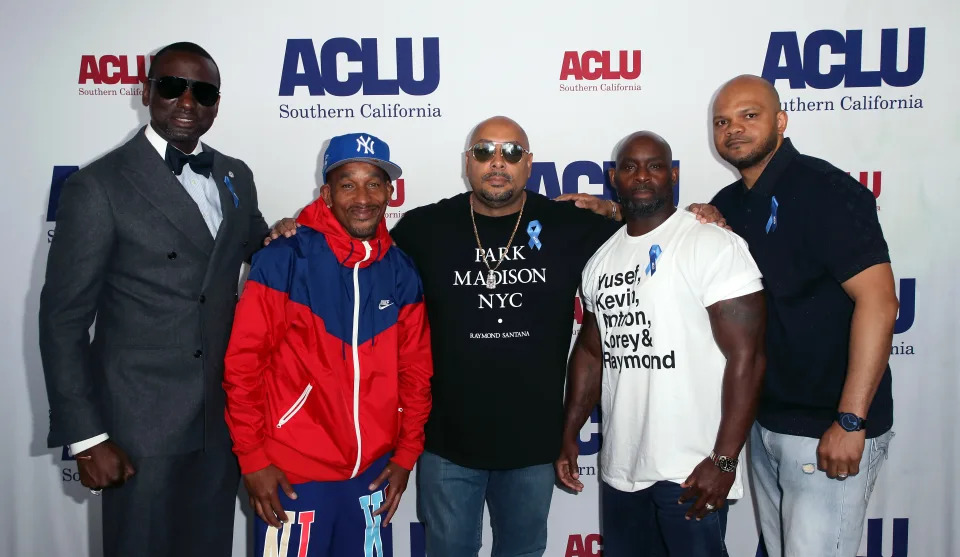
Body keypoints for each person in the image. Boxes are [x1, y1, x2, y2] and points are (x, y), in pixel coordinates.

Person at [38, 41, 286, 557]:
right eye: (173, 87)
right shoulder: (98, 186)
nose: (187, 102)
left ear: (217, 103)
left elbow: (257, 248)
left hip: (219, 421)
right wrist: (87, 437)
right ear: (147, 91)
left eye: (203, 92)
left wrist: (294, 233)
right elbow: (63, 321)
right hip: (137, 427)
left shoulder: (235, 174)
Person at [709, 74, 898, 557]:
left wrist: (851, 421)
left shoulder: (825, 190)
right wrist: (608, 211)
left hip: (827, 427)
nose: (734, 129)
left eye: (749, 116)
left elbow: (879, 301)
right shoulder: (728, 205)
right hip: (765, 422)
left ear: (781, 120)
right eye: (722, 121)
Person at [556, 132, 766, 556]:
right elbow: (593, 351)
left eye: (654, 165)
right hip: (622, 469)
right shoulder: (601, 260)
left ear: (672, 174)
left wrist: (724, 460)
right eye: (630, 167)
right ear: (614, 177)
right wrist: (569, 431)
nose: (642, 176)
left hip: (692, 471)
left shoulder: (710, 243)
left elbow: (750, 357)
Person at [223, 132, 432, 557]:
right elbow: (243, 366)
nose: (363, 197)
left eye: (374, 183)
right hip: (293, 477)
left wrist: (407, 453)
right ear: (327, 193)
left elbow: (416, 372)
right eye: (348, 183)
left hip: (372, 477)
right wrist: (253, 458)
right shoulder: (284, 258)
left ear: (390, 192)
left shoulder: (400, 270)